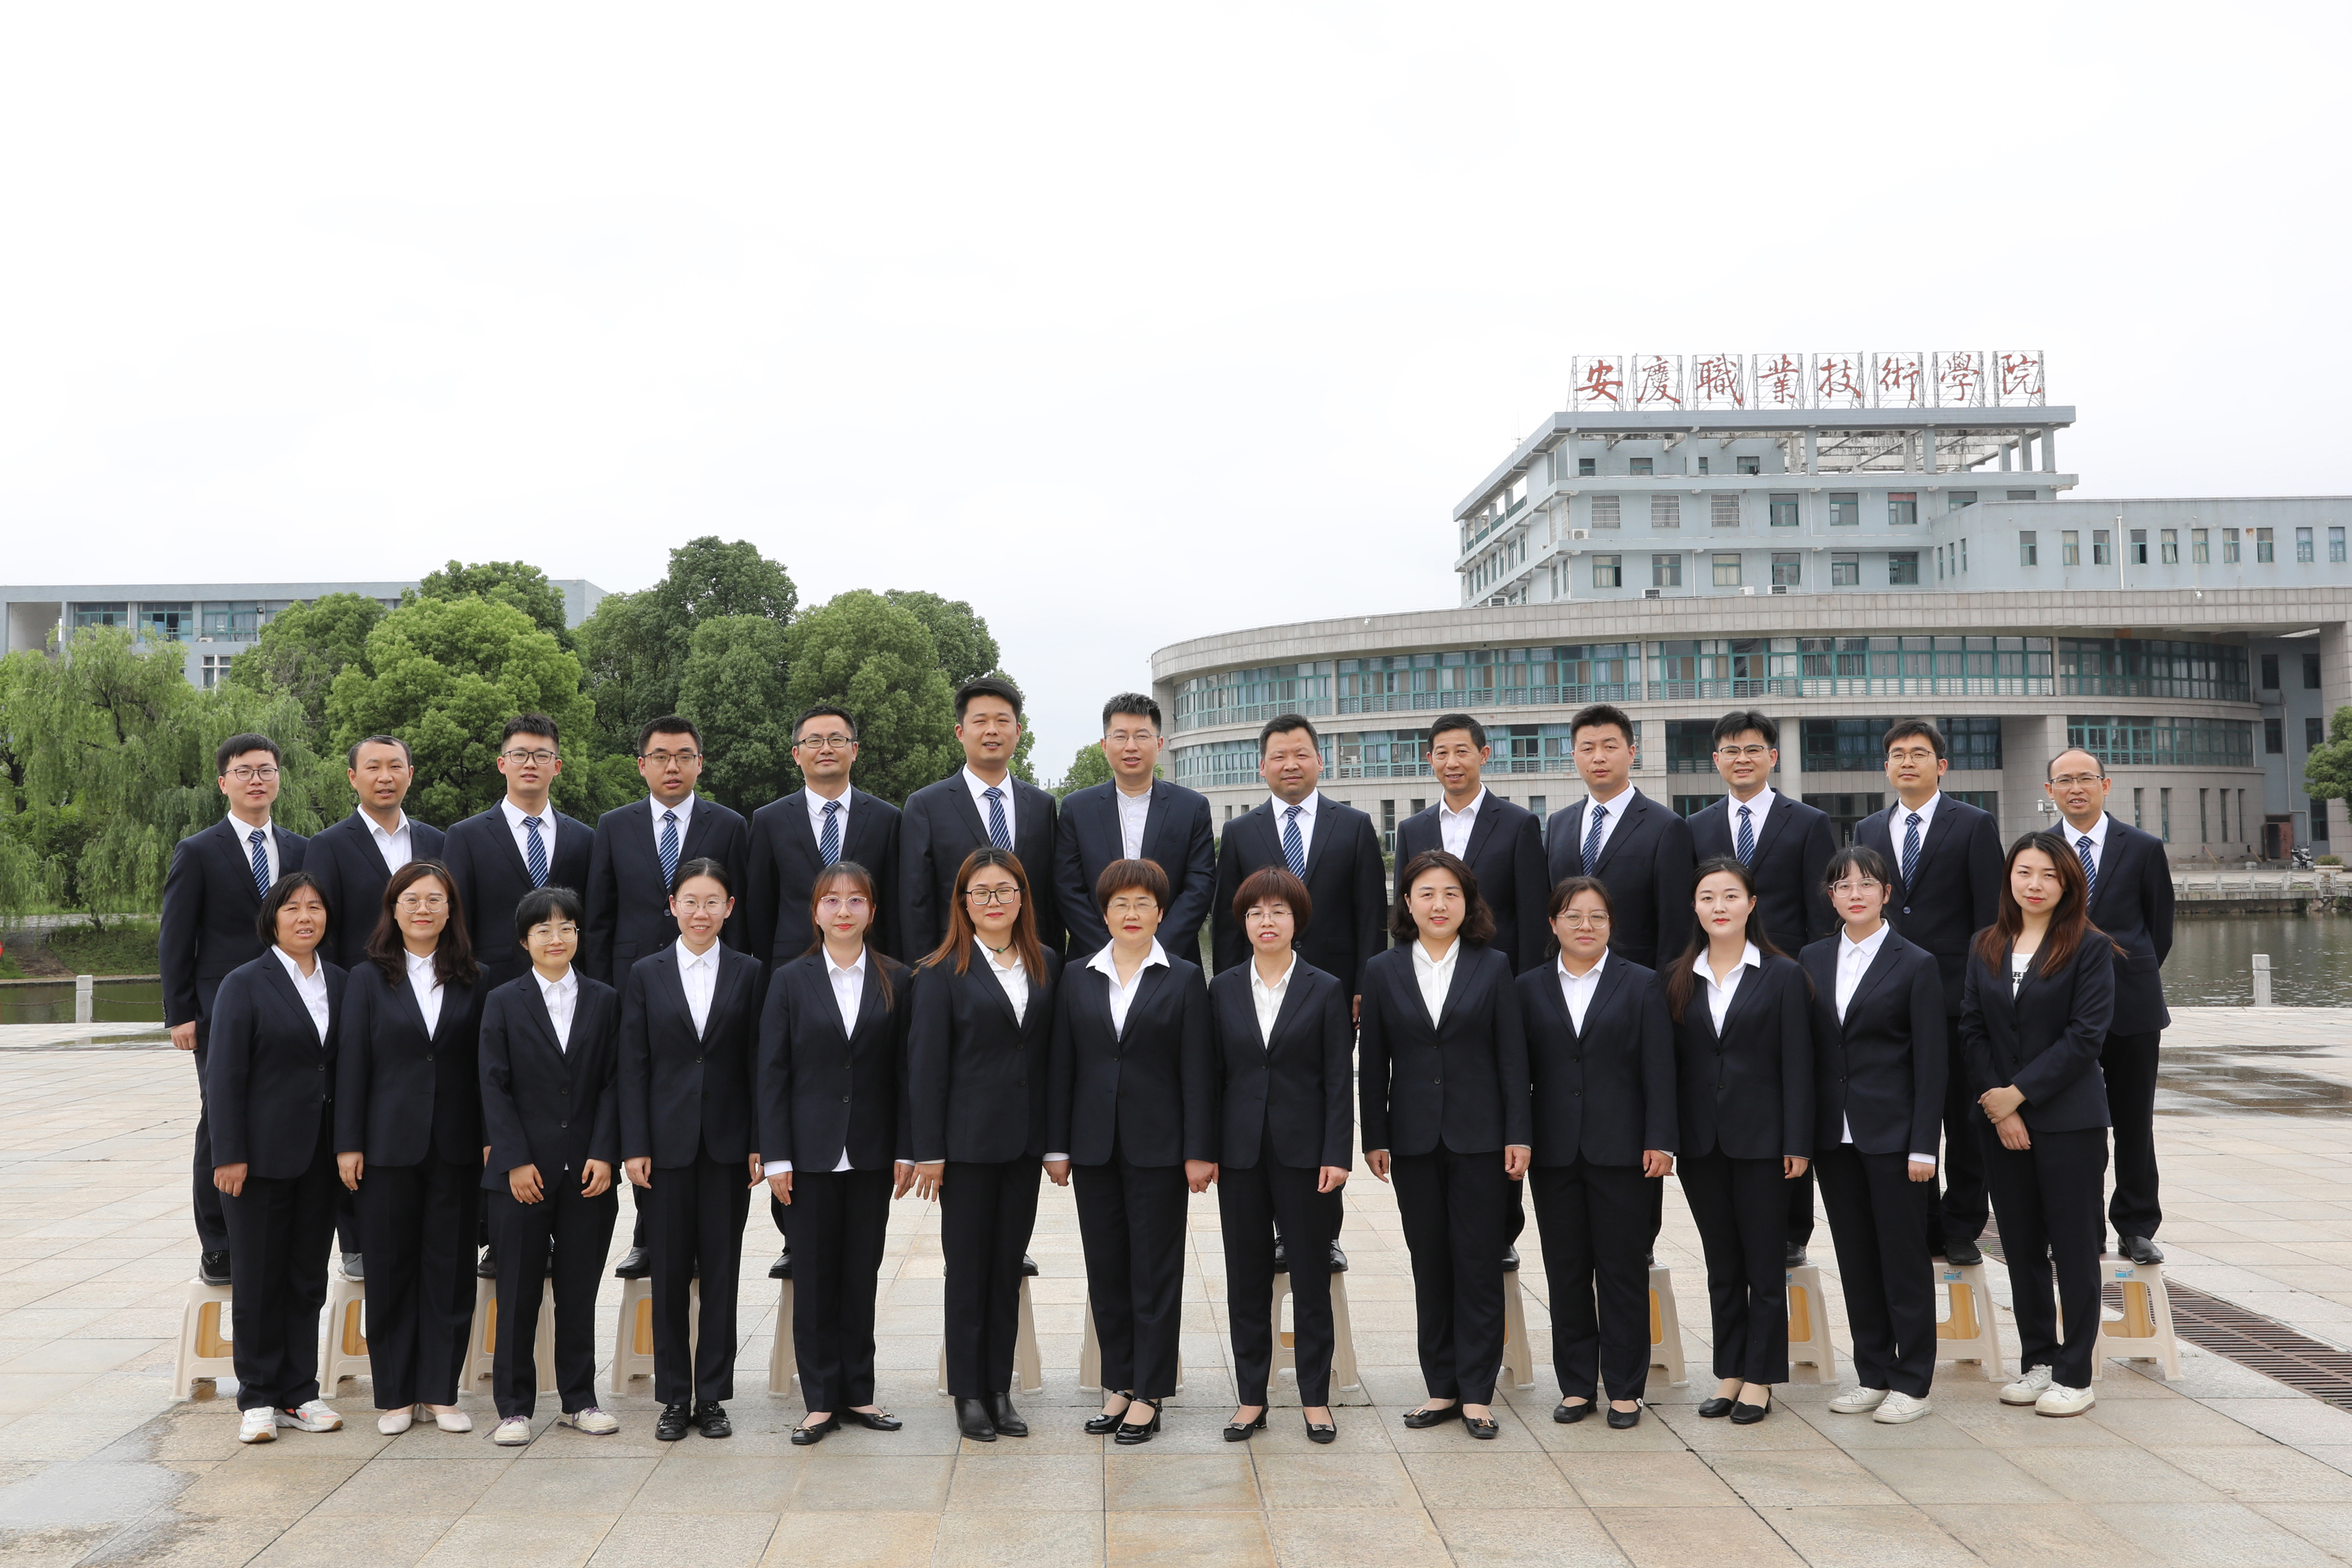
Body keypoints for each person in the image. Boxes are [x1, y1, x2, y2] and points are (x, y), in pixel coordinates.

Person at [1359, 850, 1531, 1440]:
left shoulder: (1494, 965)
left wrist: (1518, 1134)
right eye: (1427, 893)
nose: (1439, 904)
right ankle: (1441, 1387)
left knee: (1478, 1263)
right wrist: (1375, 1136)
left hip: (1481, 1139)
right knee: (1429, 1262)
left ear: (1468, 903)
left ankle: (1477, 1394)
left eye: (1451, 894)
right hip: (1411, 1139)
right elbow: (1373, 1062)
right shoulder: (1382, 970)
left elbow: (1513, 1059)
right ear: (1407, 902)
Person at [1045, 858, 1216, 1445]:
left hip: (1160, 1147)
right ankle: (1119, 1382)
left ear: (1161, 913)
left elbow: (1198, 1070)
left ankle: (1150, 1391)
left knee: (1155, 1270)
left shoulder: (1185, 977)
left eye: (1144, 903)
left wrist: (1199, 1150)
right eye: (1120, 903)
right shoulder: (1077, 976)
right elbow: (1062, 1066)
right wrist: (1057, 1146)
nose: (1132, 913)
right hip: (1094, 1146)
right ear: (1104, 913)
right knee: (1107, 1268)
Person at [743, 704, 905, 1282]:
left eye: (838, 739)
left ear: (855, 749)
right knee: (797, 1090)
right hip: (795, 983)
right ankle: (795, 1236)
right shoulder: (769, 820)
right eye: (814, 740)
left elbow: (896, 908)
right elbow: (759, 910)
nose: (826, 748)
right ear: (797, 754)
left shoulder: (887, 819)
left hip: (868, 981)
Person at [906, 847, 1062, 1443]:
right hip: (966, 1147)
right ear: (964, 903)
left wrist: (1054, 1143)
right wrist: (930, 1152)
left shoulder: (1045, 961)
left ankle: (999, 1388)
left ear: (1022, 897)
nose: (994, 901)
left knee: (1006, 1268)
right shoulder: (940, 971)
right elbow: (926, 1069)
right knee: (968, 1270)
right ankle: (968, 1392)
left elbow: (1051, 1057)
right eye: (981, 893)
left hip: (1023, 1144)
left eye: (1004, 890)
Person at [586, 716, 751, 1282]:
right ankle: (648, 1236)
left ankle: (700, 1238)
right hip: (634, 987)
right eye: (660, 756)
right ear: (642, 765)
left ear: (700, 763)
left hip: (710, 986)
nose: (672, 766)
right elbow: (600, 916)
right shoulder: (614, 825)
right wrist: (604, 993)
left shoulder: (728, 825)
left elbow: (742, 914)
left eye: (684, 756)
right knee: (643, 1096)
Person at [1962, 832, 2118, 1419]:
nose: (2035, 884)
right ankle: (2039, 1362)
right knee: (2021, 1245)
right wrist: (2000, 1107)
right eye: (2024, 872)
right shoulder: (1986, 943)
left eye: (2049, 875)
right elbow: (1973, 1029)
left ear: (2068, 883)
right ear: (2009, 878)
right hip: (2001, 1122)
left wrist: (2019, 1095)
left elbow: (2085, 1037)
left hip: (2069, 1120)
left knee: (2074, 1247)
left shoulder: (2090, 947)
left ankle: (2075, 1374)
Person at [757, 860, 913, 1445]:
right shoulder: (789, 980)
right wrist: (776, 1157)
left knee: (860, 1275)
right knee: (815, 1277)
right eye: (832, 900)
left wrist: (907, 1148)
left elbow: (907, 1073)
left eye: (855, 900)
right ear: (815, 912)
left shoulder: (898, 978)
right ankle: (820, 1401)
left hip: (872, 1152)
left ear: (872, 911)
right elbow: (772, 1072)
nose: (843, 911)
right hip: (807, 1155)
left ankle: (859, 1392)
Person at [1518, 875, 1674, 1430]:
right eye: (1574, 916)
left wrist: (1661, 1139)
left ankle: (1626, 1388)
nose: (1586, 926)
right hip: (1555, 1152)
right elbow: (1517, 1073)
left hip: (1625, 1152)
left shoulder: (1643, 983)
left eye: (1598, 917)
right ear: (1553, 923)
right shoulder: (1528, 987)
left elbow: (1660, 1068)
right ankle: (1577, 1384)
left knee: (1622, 1271)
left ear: (1611, 924)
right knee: (1565, 1273)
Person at [335, 860, 485, 1434]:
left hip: (456, 1144)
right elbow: (352, 1064)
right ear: (393, 910)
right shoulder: (366, 979)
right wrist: (348, 1143)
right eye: (412, 900)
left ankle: (441, 1393)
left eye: (435, 900)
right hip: (385, 1145)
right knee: (391, 1269)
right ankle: (397, 1396)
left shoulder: (475, 977)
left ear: (451, 910)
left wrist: (491, 1139)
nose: (423, 909)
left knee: (450, 1270)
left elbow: (488, 1068)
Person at [619, 858, 764, 1443]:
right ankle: (675, 1397)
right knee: (670, 1274)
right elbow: (633, 1064)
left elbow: (759, 1063)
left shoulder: (750, 972)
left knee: (723, 1273)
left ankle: (713, 1396)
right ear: (672, 906)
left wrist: (759, 1141)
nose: (700, 913)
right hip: (664, 1147)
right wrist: (635, 1143)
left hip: (728, 1145)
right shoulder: (645, 973)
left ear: (729, 908)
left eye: (712, 902)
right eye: (690, 901)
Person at [1685, 710, 1837, 1267]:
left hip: (1787, 981)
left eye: (1753, 749)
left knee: (1789, 1095)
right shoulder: (1695, 827)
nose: (1742, 758)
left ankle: (1794, 1227)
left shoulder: (1809, 822)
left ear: (1773, 756)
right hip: (1719, 982)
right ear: (1716, 760)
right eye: (1730, 750)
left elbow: (1820, 915)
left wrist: (1811, 985)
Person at [1664, 856, 1812, 1426]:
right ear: (1695, 908)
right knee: (1722, 1263)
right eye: (1707, 897)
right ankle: (1730, 1370)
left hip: (1765, 1142)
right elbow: (1670, 1066)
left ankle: (1761, 1377)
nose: (1718, 906)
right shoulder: (1677, 976)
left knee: (1763, 1264)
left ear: (1751, 905)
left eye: (1730, 896)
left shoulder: (1782, 975)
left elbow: (1799, 1064)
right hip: (1702, 1143)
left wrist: (1797, 1141)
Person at [1803, 846, 1946, 1426]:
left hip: (1895, 1137)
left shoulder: (1915, 963)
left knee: (1903, 1261)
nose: (1855, 893)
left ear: (1887, 893)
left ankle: (1913, 1381)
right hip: (1833, 1138)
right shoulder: (1812, 958)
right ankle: (1873, 1373)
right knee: (1856, 1258)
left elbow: (1932, 1063)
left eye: (1867, 884)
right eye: (1843, 885)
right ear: (1831, 896)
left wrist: (1924, 1144)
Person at [1209, 866, 1351, 1445]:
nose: (1266, 921)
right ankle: (1251, 1399)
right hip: (1239, 1155)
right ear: (1243, 923)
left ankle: (1315, 1399)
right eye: (1255, 912)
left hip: (1306, 1155)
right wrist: (1206, 1151)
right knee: (1245, 1279)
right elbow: (1210, 1077)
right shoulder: (1222, 988)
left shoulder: (1326, 988)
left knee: (1312, 1278)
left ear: (1298, 920)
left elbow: (1339, 1079)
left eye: (1278, 911)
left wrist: (1336, 1153)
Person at [163, 733, 310, 1286]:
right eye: (244, 771)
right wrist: (180, 1012)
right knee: (220, 1118)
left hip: (293, 1005)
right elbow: (176, 936)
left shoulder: (301, 849)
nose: (256, 780)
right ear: (224, 782)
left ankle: (282, 1225)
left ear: (278, 779)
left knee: (289, 1112)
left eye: (266, 770)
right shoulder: (199, 850)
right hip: (219, 1009)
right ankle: (218, 1242)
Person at [1854, 720, 2003, 1268]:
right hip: (1892, 998)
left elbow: (1991, 919)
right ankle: (1920, 1223)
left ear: (1941, 766)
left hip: (1957, 998)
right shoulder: (1868, 829)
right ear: (1886, 767)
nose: (1907, 763)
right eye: (1897, 755)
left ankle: (1962, 1226)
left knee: (1964, 1119)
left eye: (1919, 754)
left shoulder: (1974, 824)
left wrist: (1984, 993)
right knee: (1907, 1115)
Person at [478, 886, 623, 1445]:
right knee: (516, 1292)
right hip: (522, 1175)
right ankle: (514, 1408)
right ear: (525, 940)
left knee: (578, 1292)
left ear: (578, 936)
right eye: (543, 930)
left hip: (588, 1173)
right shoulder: (503, 1000)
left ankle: (579, 1400)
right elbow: (493, 1084)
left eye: (566, 928)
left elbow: (614, 1082)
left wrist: (605, 1153)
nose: (556, 938)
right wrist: (514, 1161)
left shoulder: (605, 1000)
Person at [206, 872, 344, 1444]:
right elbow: (223, 1076)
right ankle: (258, 1397)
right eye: (292, 908)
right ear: (273, 919)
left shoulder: (341, 981)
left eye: (315, 908)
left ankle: (300, 1392)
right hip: (258, 1159)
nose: (305, 918)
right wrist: (229, 1153)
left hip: (322, 1156)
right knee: (259, 1278)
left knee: (307, 1278)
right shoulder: (244, 983)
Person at [308, 733, 445, 1282]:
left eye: (395, 766)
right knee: (353, 1103)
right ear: (353, 777)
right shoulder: (328, 845)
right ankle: (356, 1240)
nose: (385, 777)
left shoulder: (436, 839)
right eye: (373, 767)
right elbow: (323, 930)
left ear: (410, 774)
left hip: (428, 989)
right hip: (359, 994)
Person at [2043, 747, 2174, 1265]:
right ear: (2050, 790)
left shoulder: (2142, 847)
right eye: (2064, 780)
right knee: (2074, 1124)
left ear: (2106, 784)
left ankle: (2137, 1226)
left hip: (2131, 1005)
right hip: (2059, 1006)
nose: (2075, 788)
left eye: (2085, 778)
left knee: (2134, 1121)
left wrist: (2123, 974)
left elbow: (2159, 929)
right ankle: (2081, 1227)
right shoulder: (2039, 850)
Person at [1211, 713, 1386, 1005]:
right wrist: (1227, 989)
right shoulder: (1238, 832)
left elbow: (1372, 914)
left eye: (1301, 755)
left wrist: (1367, 985)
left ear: (1319, 761)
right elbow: (1227, 922)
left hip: (1338, 981)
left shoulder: (1354, 826)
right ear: (1263, 767)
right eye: (1279, 756)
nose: (1291, 765)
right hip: (1259, 985)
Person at [900, 678, 1064, 960]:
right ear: (960, 732)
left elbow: (1051, 899)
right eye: (980, 721)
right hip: (956, 963)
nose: (992, 730)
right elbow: (916, 902)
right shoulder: (926, 806)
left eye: (1002, 721)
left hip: (1030, 961)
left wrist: (1053, 967)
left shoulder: (1042, 805)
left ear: (1018, 731)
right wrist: (925, 972)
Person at [1052, 694, 1217, 965]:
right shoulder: (1077, 808)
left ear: (1159, 744)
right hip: (1093, 961)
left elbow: (1200, 886)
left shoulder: (1191, 807)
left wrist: (1155, 952)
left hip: (1173, 962)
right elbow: (1068, 888)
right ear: (1105, 745)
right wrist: (1110, 954)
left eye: (1142, 736)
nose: (1131, 746)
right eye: (1120, 737)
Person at [444, 715, 596, 993]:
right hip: (492, 984)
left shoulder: (583, 837)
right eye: (519, 754)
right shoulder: (465, 836)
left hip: (568, 985)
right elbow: (457, 922)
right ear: (502, 764)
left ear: (557, 766)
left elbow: (591, 919)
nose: (530, 763)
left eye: (541, 755)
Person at [1543, 704, 1695, 970]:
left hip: (1637, 977)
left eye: (1610, 747)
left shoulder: (1667, 827)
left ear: (1632, 753)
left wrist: (1663, 987)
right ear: (1574, 756)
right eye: (1587, 749)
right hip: (1566, 975)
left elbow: (1677, 925)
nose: (1598, 758)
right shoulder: (1558, 823)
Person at [1394, 714, 1550, 973]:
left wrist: (1529, 983)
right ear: (1430, 760)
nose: (1452, 763)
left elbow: (1534, 916)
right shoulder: (1412, 830)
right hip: (1428, 972)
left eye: (1462, 751)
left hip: (1499, 971)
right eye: (1442, 753)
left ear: (1483, 755)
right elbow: (1403, 911)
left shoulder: (1519, 824)